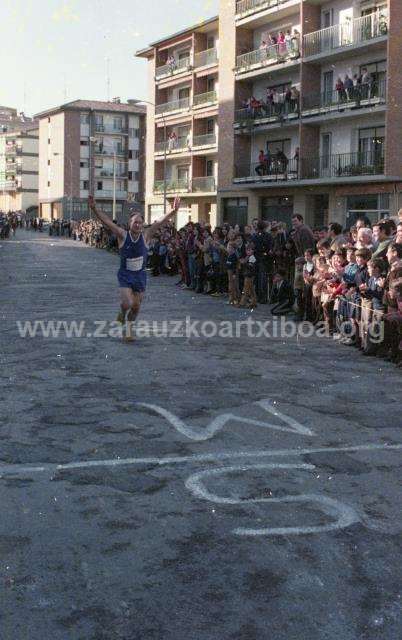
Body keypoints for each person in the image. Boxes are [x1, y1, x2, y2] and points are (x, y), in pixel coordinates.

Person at [88, 195, 180, 340]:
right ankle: (122, 313)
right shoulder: (122, 235)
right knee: (128, 303)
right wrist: (94, 209)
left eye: (140, 222)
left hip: (140, 276)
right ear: (129, 223)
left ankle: (129, 332)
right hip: (125, 274)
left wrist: (173, 211)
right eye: (135, 222)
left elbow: (160, 222)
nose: (138, 225)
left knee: (136, 307)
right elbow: (106, 221)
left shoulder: (146, 235)